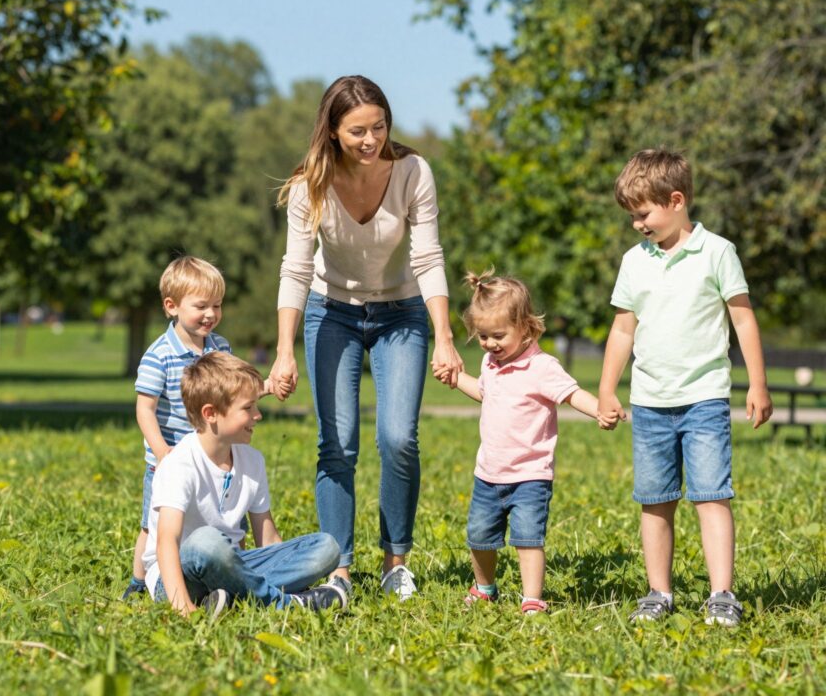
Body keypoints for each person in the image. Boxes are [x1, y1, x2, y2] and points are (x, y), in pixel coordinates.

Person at [269, 75, 464, 600]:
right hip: (331, 313)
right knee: (338, 443)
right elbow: (295, 268)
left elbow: (427, 256)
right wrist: (284, 351)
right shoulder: (310, 183)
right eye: (357, 130)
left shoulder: (412, 172)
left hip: (401, 313)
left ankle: (395, 561)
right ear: (332, 131)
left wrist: (444, 337)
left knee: (398, 438)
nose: (370, 139)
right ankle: (339, 568)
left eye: (378, 127)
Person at [597, 149, 773, 627]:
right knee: (655, 501)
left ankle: (721, 595)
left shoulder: (717, 252)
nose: (637, 224)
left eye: (643, 214)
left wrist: (757, 383)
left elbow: (743, 318)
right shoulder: (635, 262)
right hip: (650, 403)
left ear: (676, 201)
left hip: (705, 399)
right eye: (632, 215)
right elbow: (622, 329)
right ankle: (659, 592)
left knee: (711, 495)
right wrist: (607, 388)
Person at [437, 269, 602, 614]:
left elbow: (571, 394)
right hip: (489, 473)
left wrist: (600, 410)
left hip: (530, 475)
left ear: (525, 327)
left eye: (498, 335)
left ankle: (531, 598)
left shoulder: (542, 367)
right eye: (482, 336)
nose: (489, 344)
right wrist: (456, 378)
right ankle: (485, 587)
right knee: (480, 537)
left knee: (528, 539)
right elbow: (484, 392)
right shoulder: (491, 363)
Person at [143, 351, 346, 616]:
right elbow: (166, 542)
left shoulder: (252, 461)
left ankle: (227, 598)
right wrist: (181, 607)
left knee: (326, 548)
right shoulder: (178, 463)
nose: (258, 415)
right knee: (205, 542)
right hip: (176, 578)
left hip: (235, 564)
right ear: (211, 413)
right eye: (247, 408)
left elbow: (268, 537)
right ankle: (287, 603)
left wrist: (282, 559)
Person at [123, 256, 271, 600]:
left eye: (217, 305)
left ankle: (238, 568)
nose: (211, 314)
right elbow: (145, 409)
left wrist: (265, 387)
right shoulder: (159, 355)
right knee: (152, 522)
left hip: (214, 454)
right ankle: (139, 581)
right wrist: (162, 453)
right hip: (172, 457)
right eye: (201, 305)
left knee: (231, 520)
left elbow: (235, 391)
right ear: (171, 306)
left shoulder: (219, 347)